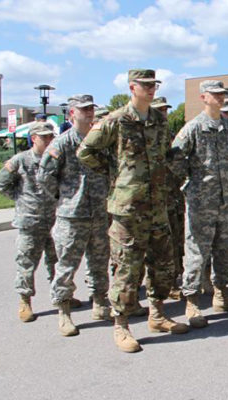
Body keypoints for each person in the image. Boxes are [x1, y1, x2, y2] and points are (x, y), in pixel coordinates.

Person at [78, 69, 189, 353]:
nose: (151, 90)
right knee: (127, 269)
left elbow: (169, 153)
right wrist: (115, 175)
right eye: (146, 86)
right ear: (132, 87)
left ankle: (157, 314)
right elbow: (85, 152)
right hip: (128, 210)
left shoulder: (158, 121)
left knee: (163, 264)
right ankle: (121, 325)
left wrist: (172, 174)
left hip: (157, 205)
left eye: (154, 86)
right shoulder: (115, 121)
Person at [170, 80, 228, 329]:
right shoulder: (193, 128)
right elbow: (175, 159)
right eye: (215, 94)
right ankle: (192, 301)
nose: (220, 97)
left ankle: (221, 294)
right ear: (204, 97)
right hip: (201, 203)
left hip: (226, 201)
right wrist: (190, 185)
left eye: (222, 93)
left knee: (226, 250)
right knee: (197, 253)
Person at [38, 94, 113, 337]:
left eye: (92, 108)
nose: (89, 113)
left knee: (100, 261)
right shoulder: (62, 143)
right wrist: (63, 199)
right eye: (84, 110)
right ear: (72, 114)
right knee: (67, 266)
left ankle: (100, 302)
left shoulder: (100, 141)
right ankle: (64, 310)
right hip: (73, 217)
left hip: (99, 212)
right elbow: (45, 177)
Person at [0, 122, 57, 324]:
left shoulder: (54, 160)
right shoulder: (21, 160)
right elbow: (0, 184)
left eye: (50, 136)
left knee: (58, 261)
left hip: (53, 220)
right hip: (30, 221)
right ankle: (25, 300)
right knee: (27, 263)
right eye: (43, 137)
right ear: (33, 138)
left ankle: (61, 296)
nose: (48, 140)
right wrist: (21, 200)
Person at [150, 96, 188, 299]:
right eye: (159, 110)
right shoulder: (145, 136)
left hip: (173, 199)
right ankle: (152, 289)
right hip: (152, 203)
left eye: (165, 110)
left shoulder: (170, 136)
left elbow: (181, 167)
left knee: (176, 243)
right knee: (154, 249)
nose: (163, 114)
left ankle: (174, 282)